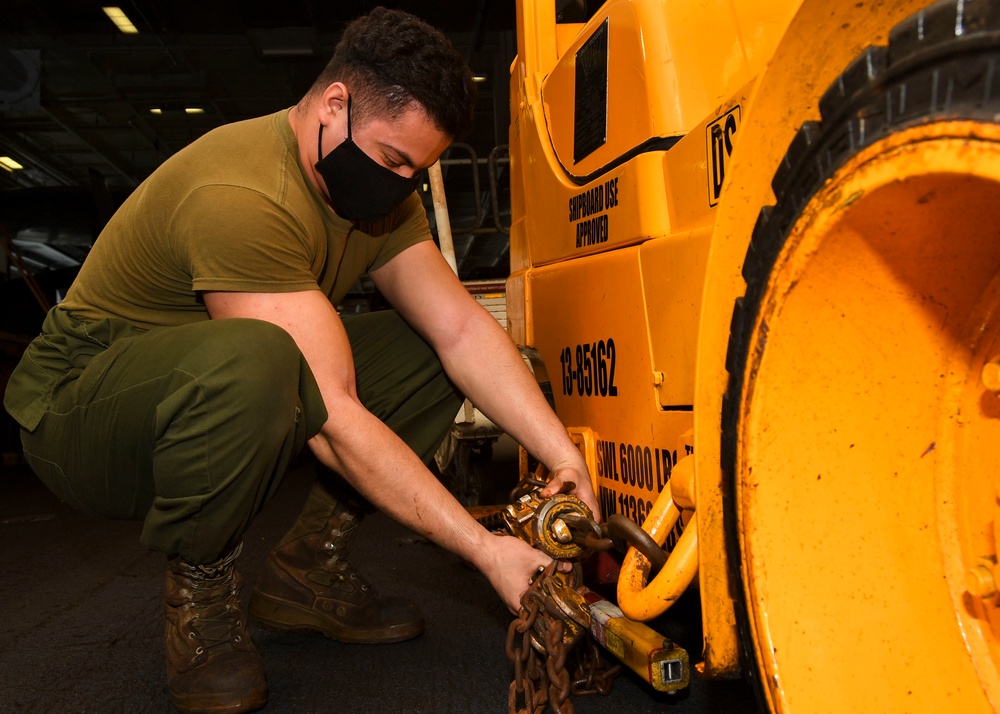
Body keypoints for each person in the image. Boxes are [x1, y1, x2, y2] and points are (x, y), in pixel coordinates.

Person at [3, 7, 599, 714]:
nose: (400, 183)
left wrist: (565, 458)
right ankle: (201, 593)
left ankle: (308, 568)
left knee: (421, 351)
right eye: (392, 160)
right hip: (81, 414)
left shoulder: (376, 197)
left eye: (418, 169)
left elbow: (462, 332)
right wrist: (484, 549)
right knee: (261, 358)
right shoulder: (242, 194)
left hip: (211, 389)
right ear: (334, 103)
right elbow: (333, 416)